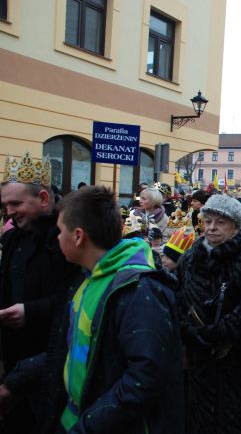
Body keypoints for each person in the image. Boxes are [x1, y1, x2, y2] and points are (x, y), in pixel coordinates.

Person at [0, 186, 183, 433]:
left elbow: (145, 379)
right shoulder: (86, 279)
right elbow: (69, 346)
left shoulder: (138, 290)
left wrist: (86, 427)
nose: (56, 238)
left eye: (60, 231)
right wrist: (16, 381)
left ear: (78, 236)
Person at [175, 194, 241, 433]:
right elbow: (176, 300)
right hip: (197, 363)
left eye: (220, 222)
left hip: (238, 363)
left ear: (235, 225)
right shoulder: (190, 258)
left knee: (233, 422)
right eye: (208, 220)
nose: (211, 227)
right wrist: (189, 332)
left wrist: (217, 334)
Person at [0, 152, 77, 433]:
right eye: (5, 204)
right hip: (14, 363)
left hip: (53, 367)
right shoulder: (11, 238)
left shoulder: (67, 240)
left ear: (43, 199)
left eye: (15, 204)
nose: (8, 212)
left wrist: (30, 312)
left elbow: (76, 301)